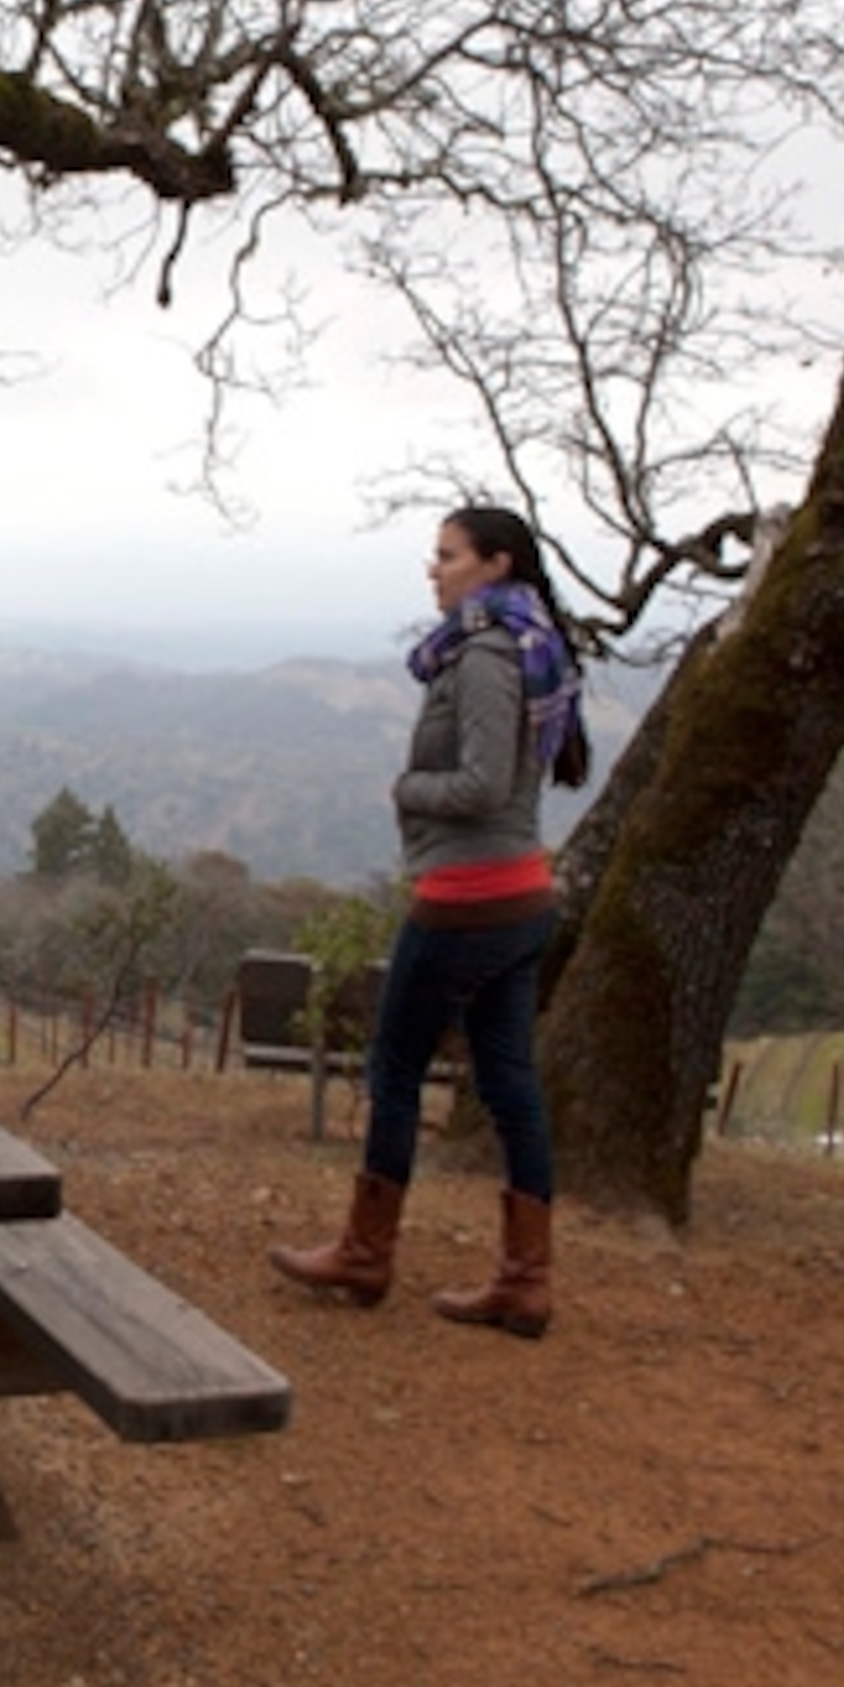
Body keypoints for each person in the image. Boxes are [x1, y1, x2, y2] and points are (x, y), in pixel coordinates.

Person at [269, 503, 591, 1339]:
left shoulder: (486, 657)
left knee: (396, 1065)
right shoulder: (525, 646)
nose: (434, 568)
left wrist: (406, 790)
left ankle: (366, 1253)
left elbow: (482, 784)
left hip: (468, 897)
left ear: (497, 565)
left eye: (448, 555)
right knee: (509, 1080)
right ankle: (525, 1280)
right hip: (520, 894)